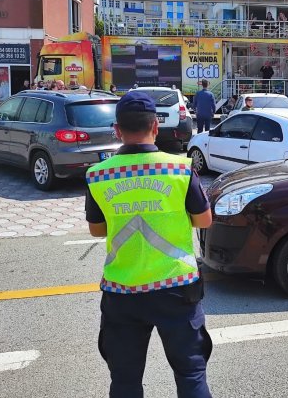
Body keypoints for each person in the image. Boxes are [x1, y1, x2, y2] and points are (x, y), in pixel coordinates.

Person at [85, 91, 213, 397]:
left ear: (117, 130)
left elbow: (96, 230)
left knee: (125, 381)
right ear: (156, 125)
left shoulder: (98, 175)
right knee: (190, 374)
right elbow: (204, 220)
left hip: (122, 291)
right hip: (177, 287)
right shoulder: (181, 169)